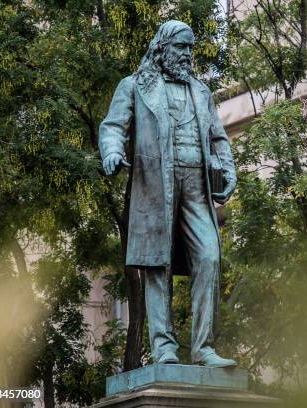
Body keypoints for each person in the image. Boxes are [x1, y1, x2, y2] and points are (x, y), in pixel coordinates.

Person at [98, 20, 237, 368]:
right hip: (156, 184)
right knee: (157, 264)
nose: (188, 55)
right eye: (181, 48)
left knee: (209, 257)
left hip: (196, 187)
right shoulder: (134, 86)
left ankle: (204, 348)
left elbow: (218, 138)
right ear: (162, 48)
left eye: (190, 48)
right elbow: (114, 127)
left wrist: (228, 169)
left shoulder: (201, 91)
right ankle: (164, 348)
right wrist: (112, 152)